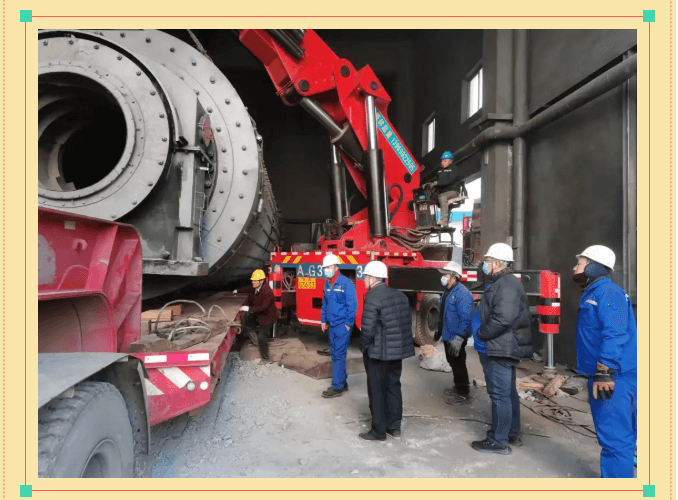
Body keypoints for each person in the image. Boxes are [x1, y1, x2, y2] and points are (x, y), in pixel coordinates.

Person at [573, 245, 637, 478]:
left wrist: (604, 371)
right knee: (622, 436)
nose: (575, 268)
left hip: (615, 377)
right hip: (614, 374)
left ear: (593, 267)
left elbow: (616, 333)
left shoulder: (608, 293)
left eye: (579, 263)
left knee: (615, 440)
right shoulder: (595, 292)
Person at [472, 243, 532, 455]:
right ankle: (511, 433)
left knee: (500, 396)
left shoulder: (505, 285)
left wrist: (481, 334)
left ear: (497, 263)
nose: (485, 264)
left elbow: (503, 319)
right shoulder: (504, 283)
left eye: (487, 261)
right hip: (502, 346)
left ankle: (498, 441)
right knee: (507, 393)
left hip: (500, 348)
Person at [358, 261, 415, 441]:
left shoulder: (372, 297)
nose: (364, 280)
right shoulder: (400, 295)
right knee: (393, 387)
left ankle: (378, 431)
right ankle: (394, 427)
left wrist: (364, 347)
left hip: (378, 353)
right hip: (397, 352)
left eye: (365, 277)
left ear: (372, 278)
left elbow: (367, 330)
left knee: (376, 390)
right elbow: (405, 323)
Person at [320, 254, 358, 398]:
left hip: (342, 325)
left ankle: (337, 387)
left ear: (336, 267)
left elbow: (352, 304)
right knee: (334, 353)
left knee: (339, 355)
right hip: (332, 325)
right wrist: (323, 320)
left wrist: (348, 324)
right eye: (325, 267)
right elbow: (325, 304)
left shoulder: (346, 283)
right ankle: (343, 382)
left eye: (329, 267)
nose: (326, 269)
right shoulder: (327, 284)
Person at [437, 261, 474, 405]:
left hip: (456, 336)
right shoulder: (448, 291)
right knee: (452, 362)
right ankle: (458, 387)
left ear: (454, 277)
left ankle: (463, 393)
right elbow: (443, 313)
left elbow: (466, 318)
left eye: (446, 275)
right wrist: (439, 330)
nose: (443, 277)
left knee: (458, 364)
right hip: (448, 334)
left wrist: (459, 338)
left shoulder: (462, 293)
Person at [234, 269, 277, 360]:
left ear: (261, 281)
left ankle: (266, 357)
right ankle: (257, 342)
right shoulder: (256, 287)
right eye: (252, 280)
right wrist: (237, 290)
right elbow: (248, 288)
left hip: (267, 317)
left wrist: (248, 309)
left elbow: (263, 307)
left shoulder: (267, 292)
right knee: (247, 326)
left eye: (254, 281)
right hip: (258, 315)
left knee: (262, 336)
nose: (252, 282)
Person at [433, 151, 461, 227]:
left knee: (442, 197)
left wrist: (438, 183)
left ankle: (444, 220)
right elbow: (437, 180)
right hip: (443, 192)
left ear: (451, 161)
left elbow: (450, 180)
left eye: (445, 161)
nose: (443, 162)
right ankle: (431, 221)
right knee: (430, 198)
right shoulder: (439, 170)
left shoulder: (454, 169)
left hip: (453, 191)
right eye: (442, 160)